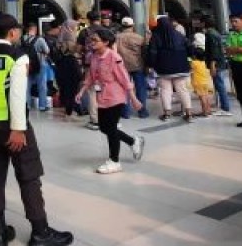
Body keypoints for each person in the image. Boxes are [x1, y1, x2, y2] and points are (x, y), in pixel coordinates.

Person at [0, 14, 73, 246]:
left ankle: (0, 233)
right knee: (29, 176)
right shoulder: (16, 55)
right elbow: (17, 93)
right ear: (12, 33)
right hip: (12, 125)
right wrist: (18, 129)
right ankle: (40, 233)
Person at [76, 28, 143, 174]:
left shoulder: (114, 58)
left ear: (106, 42)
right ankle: (133, 141)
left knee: (111, 129)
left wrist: (134, 99)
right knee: (103, 128)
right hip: (102, 97)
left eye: (95, 40)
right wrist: (81, 91)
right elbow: (91, 77)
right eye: (91, 40)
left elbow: (125, 80)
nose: (91, 43)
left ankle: (114, 161)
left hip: (115, 97)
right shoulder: (93, 57)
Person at [147, 16, 194, 122]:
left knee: (165, 90)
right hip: (181, 67)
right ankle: (189, 114)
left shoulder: (156, 37)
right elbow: (190, 48)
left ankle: (167, 114)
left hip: (163, 69)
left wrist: (151, 64)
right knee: (183, 90)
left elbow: (152, 53)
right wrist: (187, 57)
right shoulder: (179, 35)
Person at [114, 17, 148, 119]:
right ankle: (142, 112)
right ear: (132, 26)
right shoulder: (138, 38)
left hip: (122, 67)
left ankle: (125, 113)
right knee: (140, 89)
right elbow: (144, 52)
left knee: (124, 89)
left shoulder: (116, 37)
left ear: (122, 26)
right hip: (137, 65)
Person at [20, 24, 50, 113]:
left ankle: (27, 105)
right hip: (40, 64)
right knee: (42, 85)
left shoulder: (21, 39)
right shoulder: (40, 39)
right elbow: (47, 50)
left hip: (26, 64)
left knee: (27, 86)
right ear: (35, 29)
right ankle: (42, 106)